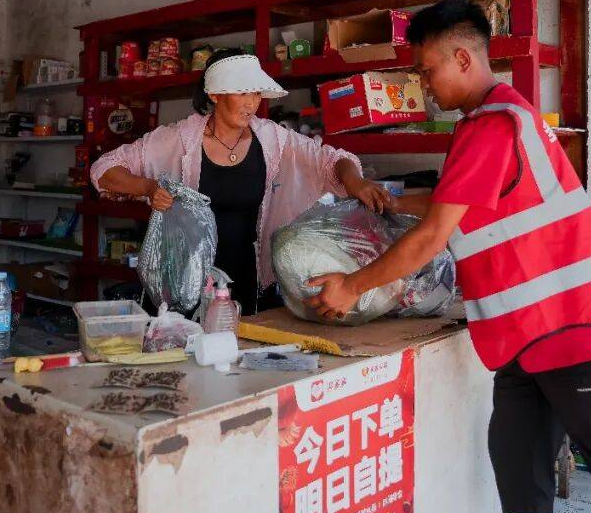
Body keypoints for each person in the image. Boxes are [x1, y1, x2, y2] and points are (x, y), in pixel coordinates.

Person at [305, 0, 591, 513]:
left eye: (427, 71)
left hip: (580, 330)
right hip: (526, 337)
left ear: (463, 59)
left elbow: (434, 236)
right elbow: (459, 205)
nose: (424, 86)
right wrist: (388, 200)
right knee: (519, 462)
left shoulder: (494, 127)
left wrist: (351, 286)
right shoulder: (490, 121)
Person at [90, 49, 389, 315]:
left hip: (246, 278)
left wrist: (355, 181)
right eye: (241, 93)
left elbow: (330, 159)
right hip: (181, 279)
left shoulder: (273, 140)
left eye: (256, 94)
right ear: (215, 95)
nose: (251, 104)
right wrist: (148, 188)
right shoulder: (178, 139)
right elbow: (105, 170)